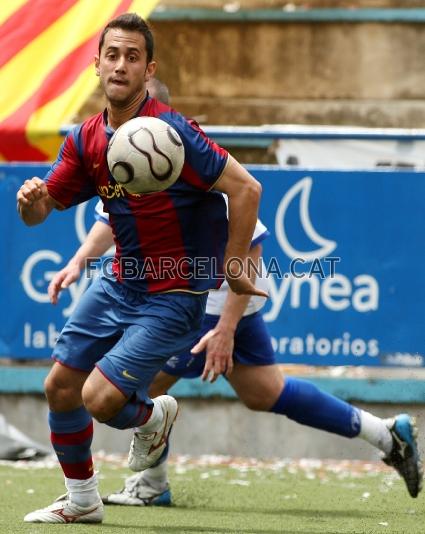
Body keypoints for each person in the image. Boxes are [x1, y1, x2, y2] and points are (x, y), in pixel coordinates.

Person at [16, 13, 266, 525]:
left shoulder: (174, 133)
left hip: (175, 294)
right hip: (118, 283)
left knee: (99, 398)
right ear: (97, 65)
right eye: (112, 55)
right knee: (59, 387)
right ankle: (83, 500)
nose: (121, 65)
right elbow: (44, 210)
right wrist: (30, 202)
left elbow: (247, 189)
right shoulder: (85, 139)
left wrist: (236, 263)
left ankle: (153, 418)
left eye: (133, 57)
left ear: (148, 69)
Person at [49, 200, 423, 507]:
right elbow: (106, 217)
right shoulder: (131, 154)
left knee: (139, 385)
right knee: (266, 392)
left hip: (205, 306)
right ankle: (388, 435)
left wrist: (224, 329)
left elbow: (252, 248)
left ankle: (152, 484)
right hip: (213, 303)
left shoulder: (194, 163)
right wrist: (79, 260)